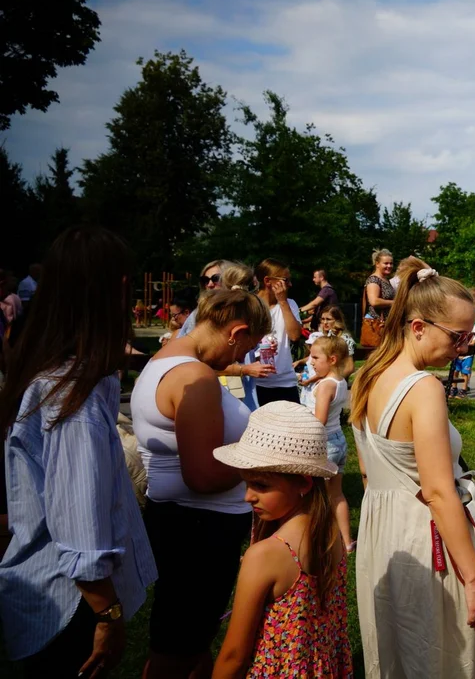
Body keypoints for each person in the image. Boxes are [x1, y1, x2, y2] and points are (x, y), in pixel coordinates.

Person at [0, 226, 158, 677]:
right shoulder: (73, 401)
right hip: (70, 607)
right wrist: (107, 615)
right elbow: (78, 524)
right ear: (117, 289)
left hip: (58, 598)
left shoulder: (58, 378)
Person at [352, 259, 475, 677]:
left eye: (468, 335)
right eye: (457, 335)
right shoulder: (424, 388)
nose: (465, 346)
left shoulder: (367, 376)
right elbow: (436, 491)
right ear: (417, 327)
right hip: (423, 538)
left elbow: (366, 473)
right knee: (438, 655)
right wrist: (474, 580)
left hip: (381, 536)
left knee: (396, 650)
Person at [132, 287, 275, 676]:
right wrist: (267, 463)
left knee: (186, 639)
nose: (241, 359)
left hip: (185, 522)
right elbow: (204, 475)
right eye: (248, 347)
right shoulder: (193, 375)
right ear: (237, 331)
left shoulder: (168, 360)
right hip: (199, 530)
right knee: (177, 647)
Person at [211, 402, 352, 678]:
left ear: (303, 483)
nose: (248, 496)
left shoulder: (266, 555)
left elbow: (233, 656)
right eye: (247, 483)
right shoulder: (332, 534)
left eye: (261, 485)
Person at [301, 335, 354, 551]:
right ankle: (347, 542)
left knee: (316, 498)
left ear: (332, 359)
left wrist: (299, 422)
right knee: (337, 494)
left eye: (315, 357)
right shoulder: (340, 382)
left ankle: (317, 542)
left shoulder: (325, 386)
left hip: (323, 446)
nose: (310, 361)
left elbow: (319, 419)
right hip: (338, 441)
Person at [253, 258, 304, 405]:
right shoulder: (250, 305)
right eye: (285, 280)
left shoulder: (290, 304)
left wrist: (282, 302)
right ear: (268, 281)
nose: (289, 284)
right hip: (256, 381)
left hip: (285, 381)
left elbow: (295, 335)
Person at [298, 306, 356, 383]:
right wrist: (299, 362)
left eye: (328, 319)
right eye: (323, 319)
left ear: (337, 320)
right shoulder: (322, 336)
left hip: (333, 382)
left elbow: (349, 367)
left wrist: (330, 379)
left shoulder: (344, 339)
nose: (325, 322)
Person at [178, 259, 230, 338]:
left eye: (216, 278)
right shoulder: (198, 313)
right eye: (205, 280)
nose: (210, 284)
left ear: (230, 279)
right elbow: (182, 342)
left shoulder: (246, 309)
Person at [364, 248, 396, 327]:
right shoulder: (373, 280)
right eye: (386, 263)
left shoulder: (386, 280)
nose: (389, 266)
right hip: (374, 324)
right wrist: (394, 303)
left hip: (384, 324)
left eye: (391, 263)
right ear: (377, 264)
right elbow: (374, 301)